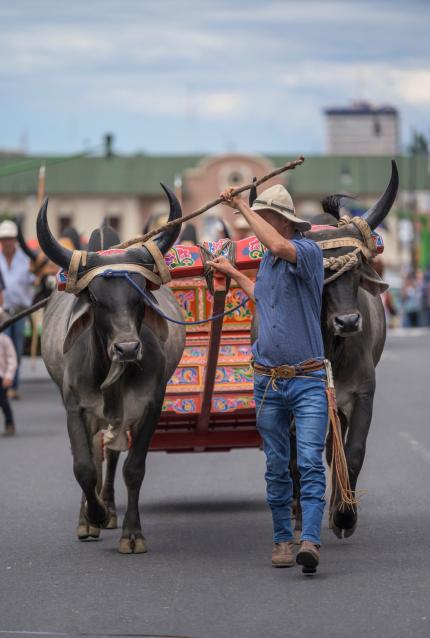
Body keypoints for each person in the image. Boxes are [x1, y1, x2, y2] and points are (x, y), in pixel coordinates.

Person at [207, 184, 328, 575]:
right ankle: (281, 539)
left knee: (309, 462)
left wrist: (241, 203)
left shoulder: (306, 252)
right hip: (268, 382)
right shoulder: (269, 264)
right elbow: (263, 296)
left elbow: (276, 246)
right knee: (277, 465)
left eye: (262, 216)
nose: (255, 224)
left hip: (308, 379)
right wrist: (231, 272)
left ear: (282, 221)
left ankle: (309, 540)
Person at [0, 220, 34, 398]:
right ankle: (5, 386)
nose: (7, 242)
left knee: (17, 349)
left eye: (10, 238)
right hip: (1, 312)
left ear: (15, 240)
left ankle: (14, 386)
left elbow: (34, 280)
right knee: (3, 349)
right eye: (4, 239)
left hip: (20, 311)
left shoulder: (26, 259)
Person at [0, 331, 17, 436]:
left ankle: (9, 423)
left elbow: (12, 359)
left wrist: (9, 375)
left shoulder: (4, 340)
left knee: (3, 401)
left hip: (1, 377)